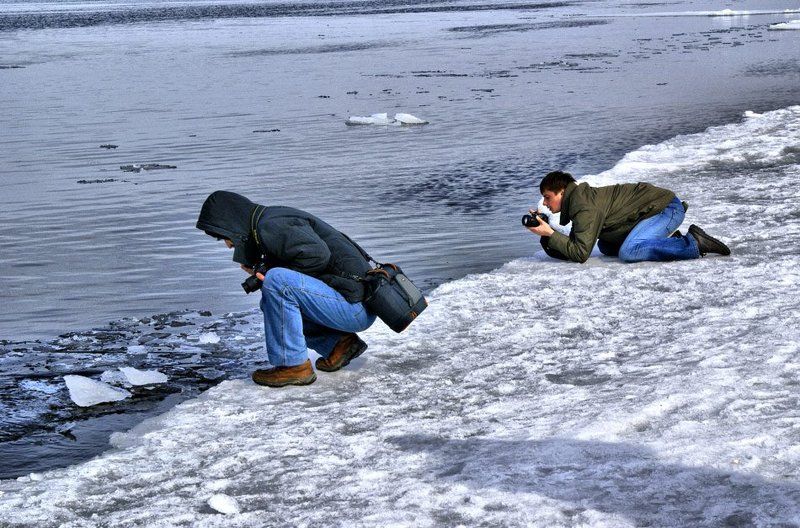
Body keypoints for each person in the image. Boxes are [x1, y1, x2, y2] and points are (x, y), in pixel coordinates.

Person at [196, 191, 377, 388]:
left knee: (277, 281)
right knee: (271, 300)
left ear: (231, 223)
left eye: (224, 236)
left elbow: (318, 256)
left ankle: (293, 366)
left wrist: (272, 272)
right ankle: (339, 344)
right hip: (355, 303)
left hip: (355, 308)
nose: (228, 245)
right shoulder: (269, 221)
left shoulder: (270, 225)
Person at [527, 171, 730, 263]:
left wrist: (551, 233)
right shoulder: (580, 201)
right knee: (607, 246)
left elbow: (580, 254)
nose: (544, 203)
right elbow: (573, 247)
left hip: (666, 208)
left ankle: (693, 243)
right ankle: (669, 240)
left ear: (562, 192)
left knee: (629, 252)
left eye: (547, 197)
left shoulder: (584, 207)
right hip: (652, 213)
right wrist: (546, 235)